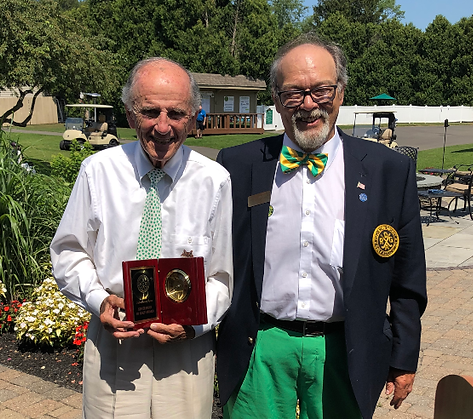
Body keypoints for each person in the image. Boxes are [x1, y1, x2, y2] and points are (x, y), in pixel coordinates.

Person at [215, 32, 427, 419]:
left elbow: (407, 277)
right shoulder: (238, 165)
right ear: (276, 99)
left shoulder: (388, 170)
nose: (309, 104)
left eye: (321, 91)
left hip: (345, 349)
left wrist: (404, 358)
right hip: (260, 345)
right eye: (293, 93)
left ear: (340, 93)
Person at [50, 57, 233, 419]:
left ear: (192, 118)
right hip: (115, 342)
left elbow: (222, 277)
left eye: (176, 114)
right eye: (150, 112)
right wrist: (99, 300)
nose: (163, 127)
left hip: (185, 351)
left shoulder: (214, 181)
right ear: (131, 116)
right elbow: (69, 252)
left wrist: (193, 325)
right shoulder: (97, 172)